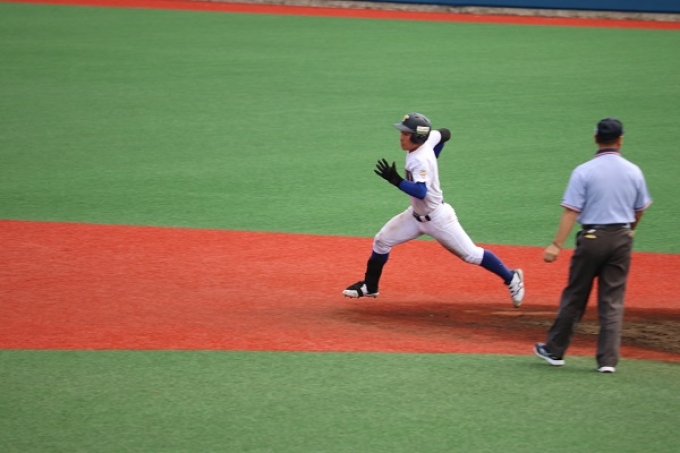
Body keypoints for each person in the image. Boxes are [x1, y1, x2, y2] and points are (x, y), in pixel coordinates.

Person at [342, 112, 525, 307]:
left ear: (417, 137)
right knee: (382, 241)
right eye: (402, 132)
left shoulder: (420, 159)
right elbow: (444, 133)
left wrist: (396, 180)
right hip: (415, 217)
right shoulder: (427, 142)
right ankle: (370, 286)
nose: (401, 137)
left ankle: (511, 278)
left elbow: (421, 192)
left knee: (471, 255)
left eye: (406, 134)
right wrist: (434, 157)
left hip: (439, 219)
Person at [534, 118, 652, 373]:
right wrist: (630, 230)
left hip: (592, 238)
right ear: (620, 140)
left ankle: (555, 350)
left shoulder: (584, 171)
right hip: (621, 238)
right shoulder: (634, 171)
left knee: (576, 296)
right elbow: (640, 209)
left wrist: (556, 245)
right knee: (612, 301)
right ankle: (608, 361)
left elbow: (571, 211)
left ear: (596, 138)